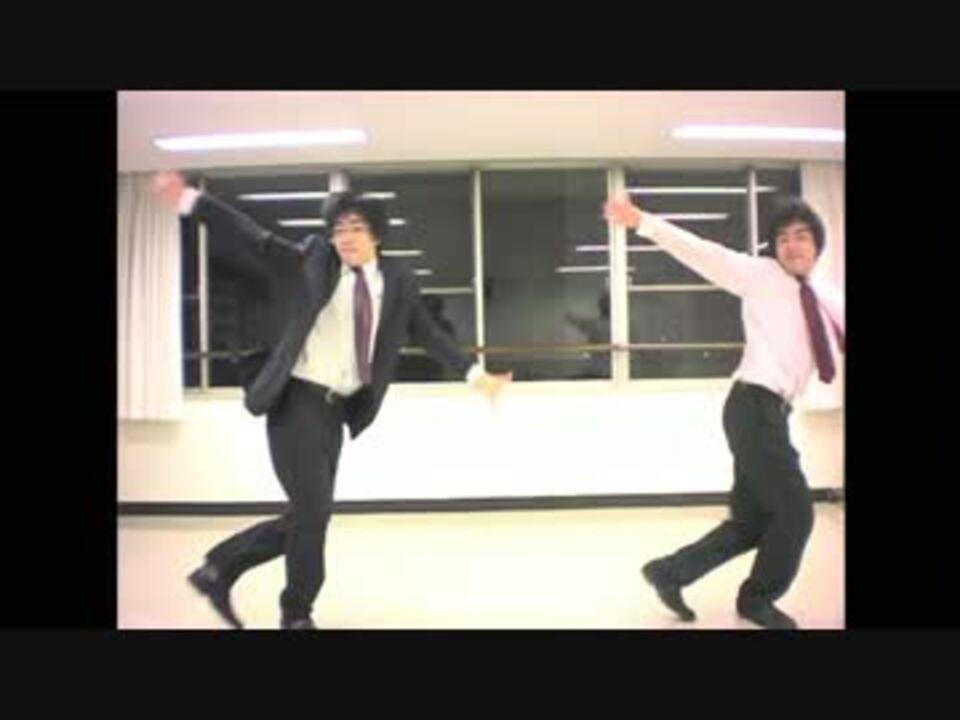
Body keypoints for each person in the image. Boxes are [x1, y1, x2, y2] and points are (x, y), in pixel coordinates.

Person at [153, 171, 512, 629]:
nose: (345, 237)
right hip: (294, 402)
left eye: (356, 228)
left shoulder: (397, 281)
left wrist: (476, 375)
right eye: (339, 229)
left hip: (336, 411)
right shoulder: (315, 260)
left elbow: (427, 332)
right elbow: (252, 236)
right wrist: (191, 199)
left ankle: (219, 570)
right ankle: (294, 611)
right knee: (313, 512)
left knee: (310, 516)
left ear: (377, 235)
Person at [604, 193, 844, 630]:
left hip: (772, 412)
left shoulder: (827, 296)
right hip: (752, 405)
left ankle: (670, 572)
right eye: (783, 238)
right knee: (796, 512)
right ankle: (757, 600)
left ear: (817, 244)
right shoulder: (760, 275)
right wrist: (643, 222)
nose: (792, 245)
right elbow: (701, 251)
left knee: (752, 522)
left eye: (801, 236)